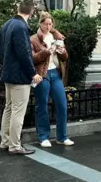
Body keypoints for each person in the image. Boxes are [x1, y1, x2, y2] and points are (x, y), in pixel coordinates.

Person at [0, 0, 41, 155]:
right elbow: (24, 53)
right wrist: (33, 73)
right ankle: (15, 145)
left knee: (8, 108)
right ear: (32, 11)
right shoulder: (21, 27)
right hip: (19, 75)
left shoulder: (7, 24)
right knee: (18, 110)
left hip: (8, 72)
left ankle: (5, 142)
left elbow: (2, 50)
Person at [30, 12, 73, 148]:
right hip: (42, 74)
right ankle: (43, 137)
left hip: (55, 73)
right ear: (40, 23)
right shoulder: (33, 39)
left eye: (50, 24)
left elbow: (65, 58)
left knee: (62, 104)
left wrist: (62, 52)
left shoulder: (57, 36)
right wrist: (46, 52)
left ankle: (62, 136)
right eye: (45, 24)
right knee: (42, 105)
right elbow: (32, 58)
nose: (48, 26)